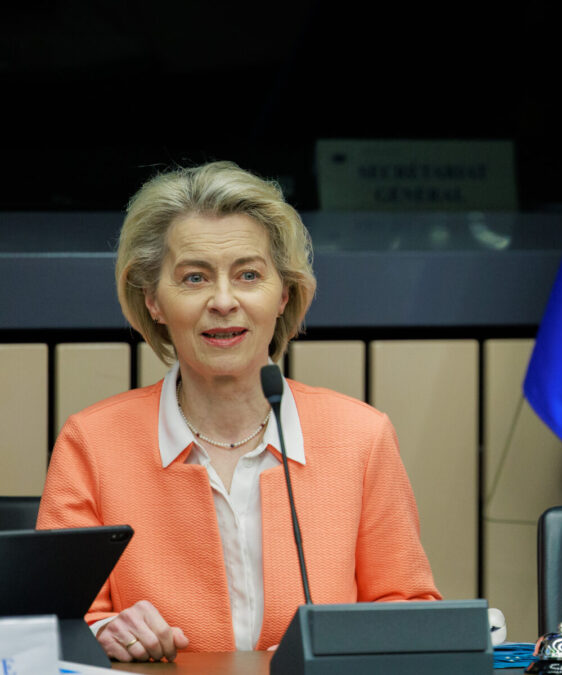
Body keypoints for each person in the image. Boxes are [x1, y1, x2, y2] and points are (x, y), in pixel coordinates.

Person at [37, 161, 441, 662]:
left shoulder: (360, 436)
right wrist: (106, 634)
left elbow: (409, 612)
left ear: (283, 295)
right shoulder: (92, 443)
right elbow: (53, 628)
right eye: (194, 278)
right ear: (154, 301)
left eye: (249, 275)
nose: (223, 301)